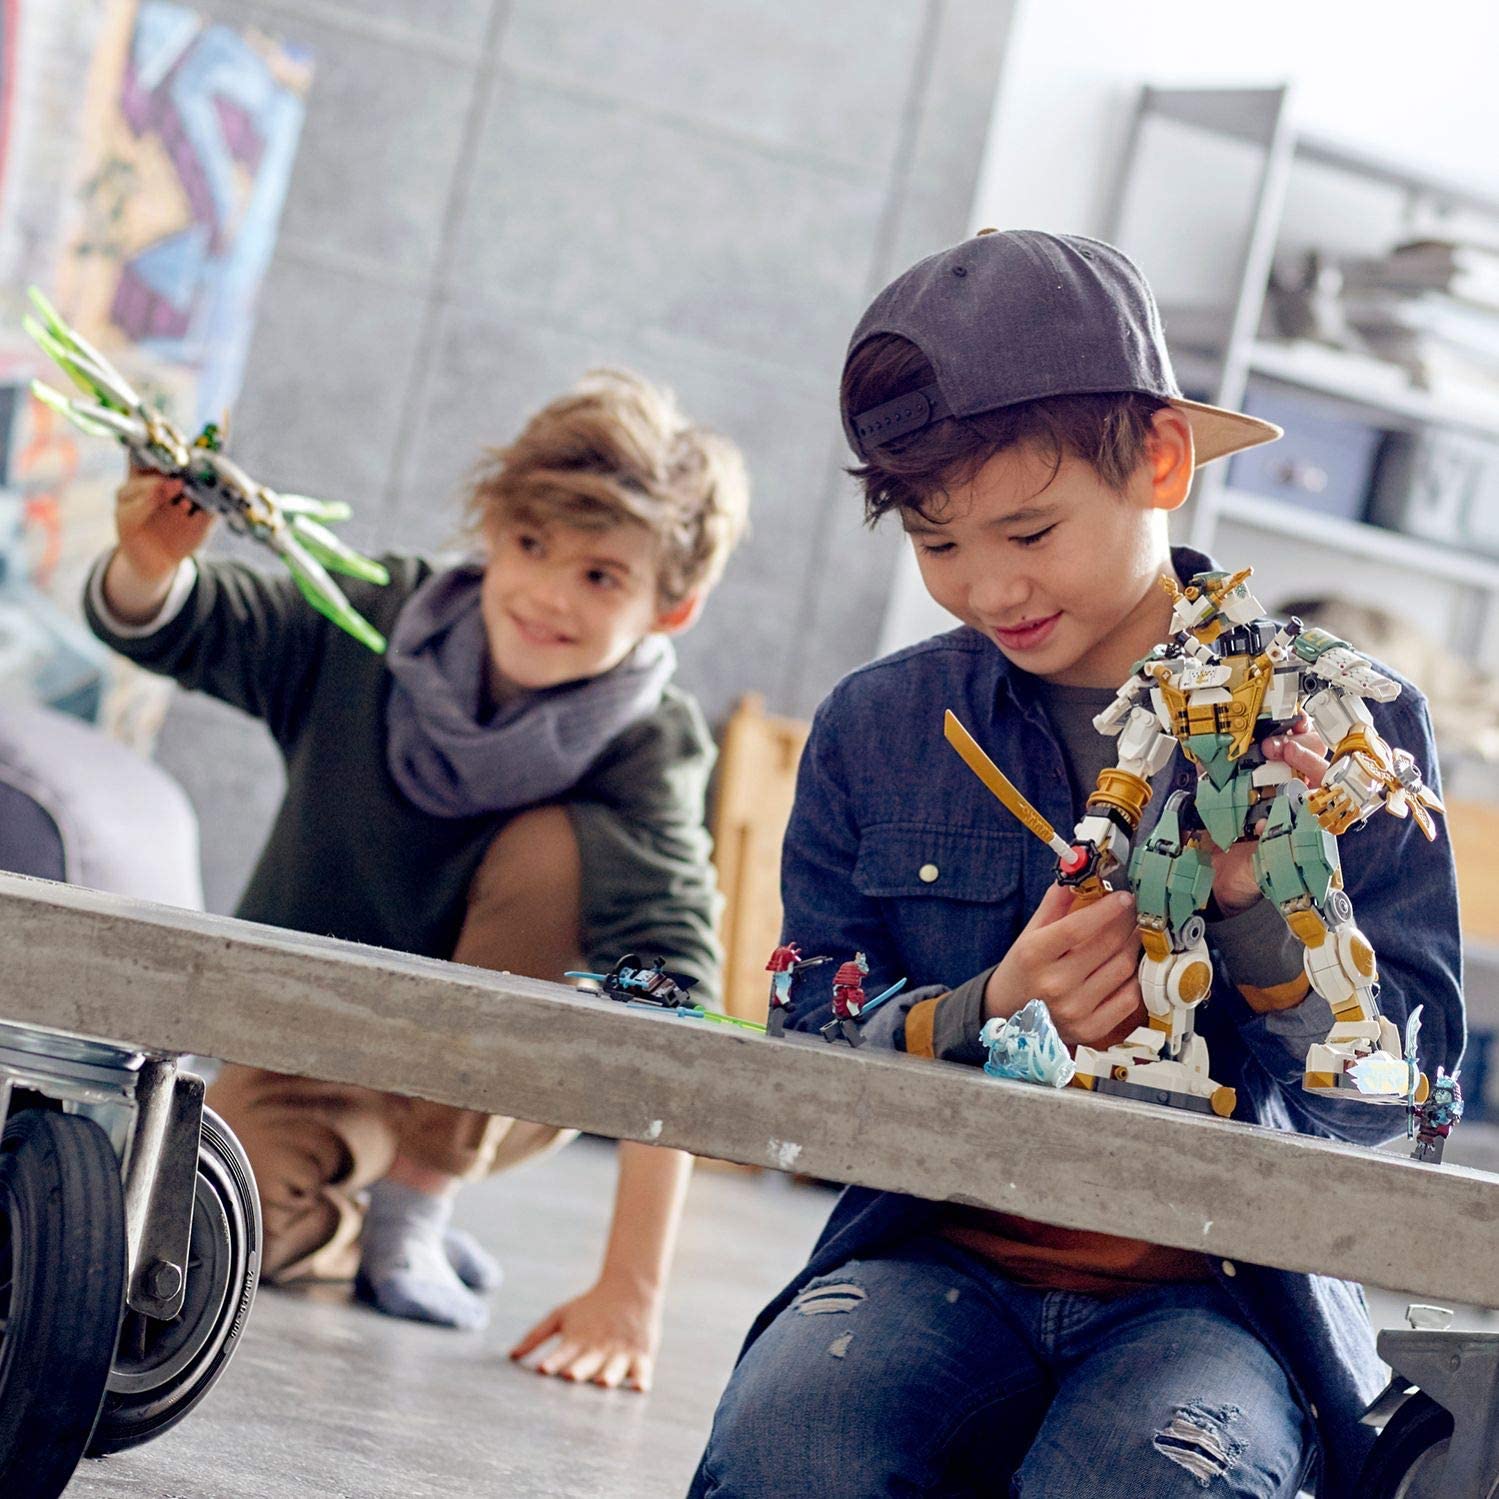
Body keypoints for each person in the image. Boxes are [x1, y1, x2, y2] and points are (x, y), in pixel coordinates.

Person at [690, 231, 1462, 1496]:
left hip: (1219, 1296)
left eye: (1029, 529)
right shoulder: (879, 728)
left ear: (1160, 460)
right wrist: (987, 1007)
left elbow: (1394, 1105)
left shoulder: (1331, 722)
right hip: (926, 1256)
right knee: (795, 1447)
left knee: (1153, 1472)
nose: (989, 586)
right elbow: (800, 1037)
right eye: (937, 544)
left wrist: (1260, 913)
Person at [85, 368, 749, 1394]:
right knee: (222, 1229)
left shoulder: (646, 745)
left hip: (497, 1079)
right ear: (492, 530)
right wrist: (149, 564)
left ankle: (421, 1195)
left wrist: (631, 1289)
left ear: (674, 606)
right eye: (529, 545)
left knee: (558, 850)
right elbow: (194, 620)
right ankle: (362, 1224)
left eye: (600, 576)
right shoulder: (378, 619)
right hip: (309, 1046)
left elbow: (675, 1002)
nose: (547, 595)